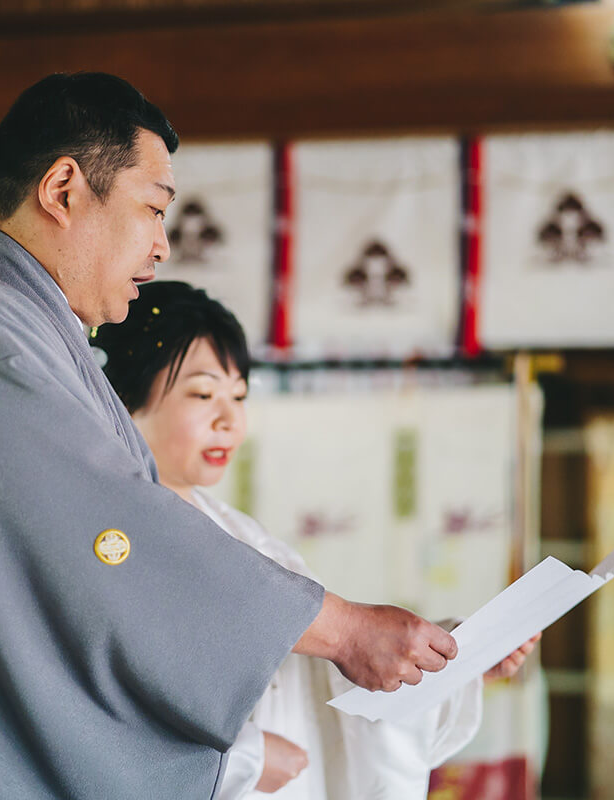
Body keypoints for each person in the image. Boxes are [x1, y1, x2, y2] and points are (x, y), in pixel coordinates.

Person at [0, 73, 461, 800]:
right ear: (63, 189)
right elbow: (117, 543)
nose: (162, 245)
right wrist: (343, 631)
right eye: (152, 208)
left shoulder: (4, 324)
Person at [94, 280, 539, 799]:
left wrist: (438, 658)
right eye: (202, 393)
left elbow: (321, 673)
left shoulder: (240, 534)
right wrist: (245, 759)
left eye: (238, 395)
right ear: (123, 397)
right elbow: (100, 706)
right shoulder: (110, 538)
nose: (229, 418)